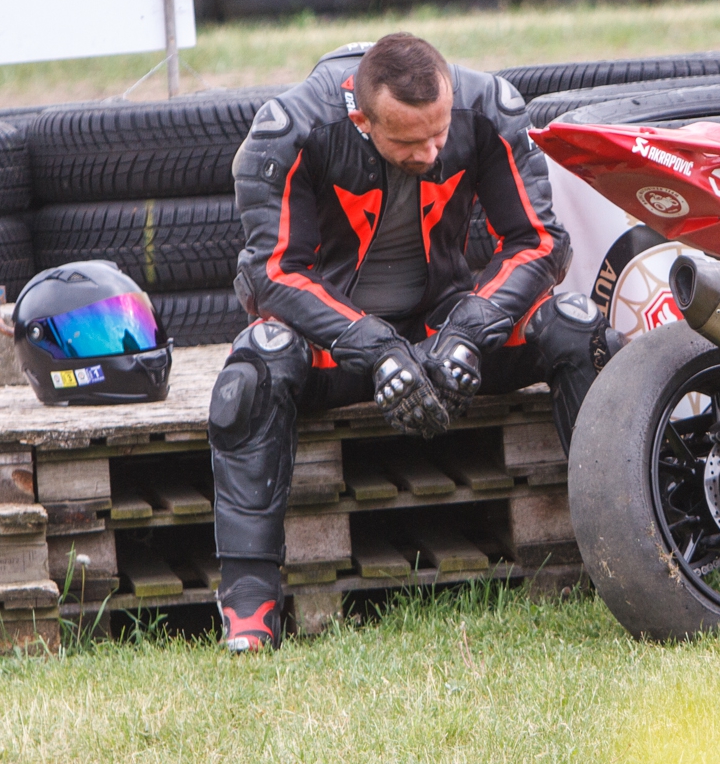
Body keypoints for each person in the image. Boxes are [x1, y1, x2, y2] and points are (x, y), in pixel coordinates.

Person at [208, 33, 615, 652]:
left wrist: (471, 331)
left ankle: (624, 553)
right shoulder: (290, 129)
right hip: (338, 344)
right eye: (407, 140)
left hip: (447, 325)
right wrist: (373, 346)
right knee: (255, 368)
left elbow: (539, 241)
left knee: (577, 324)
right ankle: (249, 605)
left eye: (439, 132)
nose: (430, 150)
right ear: (362, 118)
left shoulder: (490, 107)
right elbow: (272, 275)